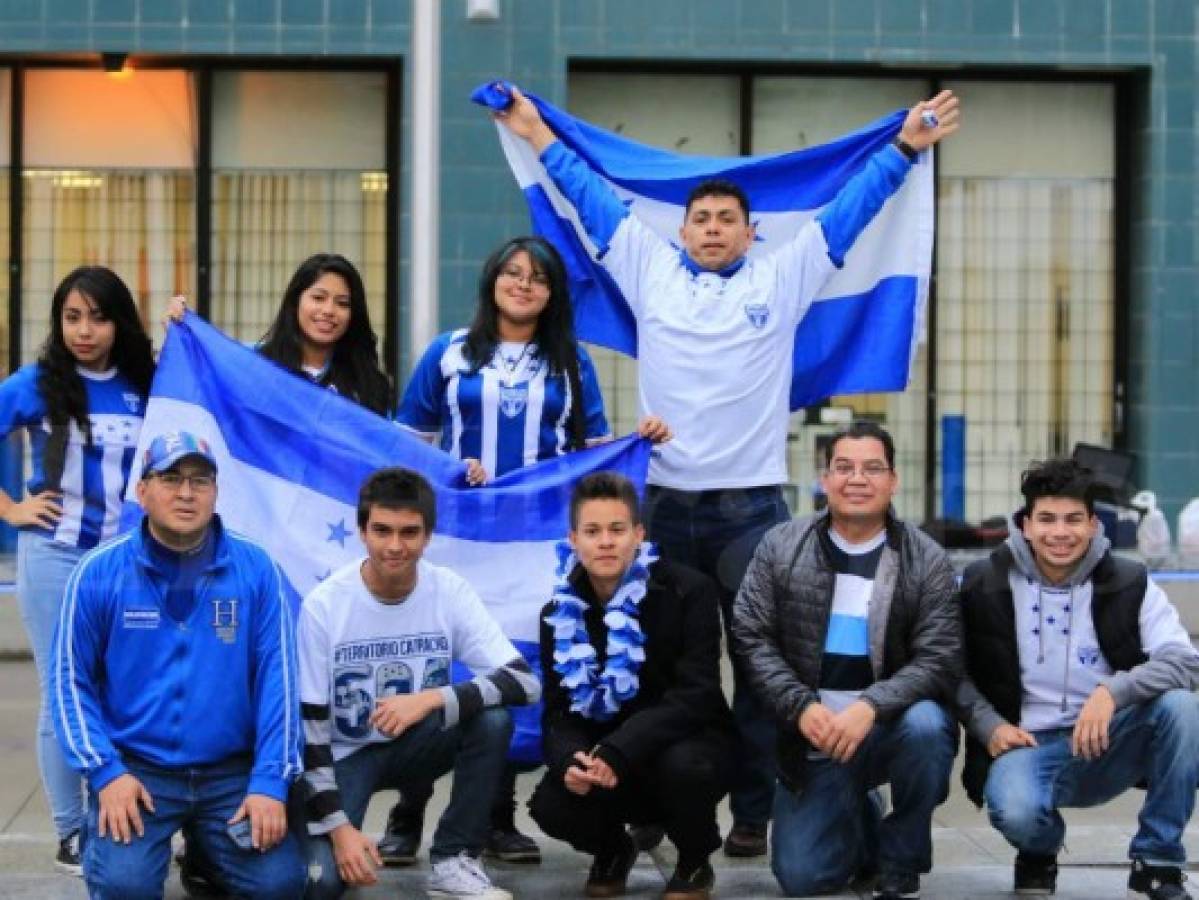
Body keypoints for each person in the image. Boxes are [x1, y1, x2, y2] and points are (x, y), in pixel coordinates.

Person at [496, 84, 960, 856]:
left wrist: (906, 146)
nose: (712, 229)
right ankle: (648, 802)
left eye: (726, 220)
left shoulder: (782, 277)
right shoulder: (646, 265)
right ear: (679, 230)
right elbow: (584, 194)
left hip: (751, 512)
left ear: (750, 233)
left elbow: (850, 209)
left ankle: (751, 811)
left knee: (759, 667)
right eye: (700, 219)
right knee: (647, 658)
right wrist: (535, 130)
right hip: (665, 505)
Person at [389, 235, 670, 864]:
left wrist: (638, 440)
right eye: (512, 272)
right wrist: (449, 468)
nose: (523, 284)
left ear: (552, 293)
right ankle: (408, 812)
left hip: (533, 545)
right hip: (460, 535)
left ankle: (498, 815)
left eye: (538, 278)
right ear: (492, 279)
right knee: (441, 658)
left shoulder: (570, 362)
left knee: (520, 659)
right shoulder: (448, 353)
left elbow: (591, 455)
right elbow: (408, 446)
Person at [49, 431, 305, 899]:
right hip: (139, 771)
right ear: (142, 492)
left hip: (230, 773)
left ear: (216, 493)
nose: (186, 493)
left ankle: (207, 854)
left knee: (280, 886)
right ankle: (112, 843)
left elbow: (280, 684)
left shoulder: (256, 568)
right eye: (170, 478)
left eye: (200, 481)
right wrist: (106, 774)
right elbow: (69, 684)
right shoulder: (99, 572)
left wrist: (270, 780)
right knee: (124, 886)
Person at [732, 421, 960, 900]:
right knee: (803, 878)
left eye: (872, 468)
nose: (858, 479)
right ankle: (860, 811)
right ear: (824, 478)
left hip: (886, 727)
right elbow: (751, 635)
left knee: (927, 726)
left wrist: (870, 706)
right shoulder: (780, 546)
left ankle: (901, 859)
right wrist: (801, 707)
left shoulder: (927, 559)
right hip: (813, 736)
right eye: (844, 467)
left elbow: (938, 657)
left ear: (893, 480)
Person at [957, 459, 1199, 899]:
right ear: (1026, 525)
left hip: (1109, 737)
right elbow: (952, 671)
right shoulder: (983, 583)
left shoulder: (1130, 580)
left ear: (1092, 525)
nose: (1060, 533)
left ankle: (1157, 861)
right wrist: (988, 726)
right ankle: (1039, 851)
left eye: (1073, 520)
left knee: (1182, 708)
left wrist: (1113, 691)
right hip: (1026, 743)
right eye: (1047, 519)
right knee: (1014, 810)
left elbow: (1184, 661)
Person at [294, 467, 540, 900]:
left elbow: (524, 682)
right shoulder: (326, 606)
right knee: (324, 885)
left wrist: (431, 699)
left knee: (493, 721)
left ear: (428, 536)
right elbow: (310, 734)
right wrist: (340, 831)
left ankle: (453, 860)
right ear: (361, 531)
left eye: (409, 533)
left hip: (419, 742)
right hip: (344, 755)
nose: (395, 546)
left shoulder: (448, 590)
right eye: (382, 530)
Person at [0, 265, 155, 875]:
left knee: (125, 688)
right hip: (55, 557)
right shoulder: (36, 383)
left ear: (120, 321)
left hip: (131, 563)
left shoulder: (147, 383)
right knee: (63, 691)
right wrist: (12, 509)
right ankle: (70, 830)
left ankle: (122, 816)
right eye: (72, 317)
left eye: (98, 316)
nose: (84, 330)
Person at [529, 472, 733, 899]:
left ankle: (694, 860)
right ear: (573, 540)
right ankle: (613, 850)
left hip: (682, 746)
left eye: (617, 530)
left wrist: (621, 749)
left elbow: (698, 695)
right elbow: (557, 711)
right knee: (550, 803)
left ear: (638, 534)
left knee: (687, 768)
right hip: (604, 758)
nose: (606, 542)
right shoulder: (558, 612)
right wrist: (570, 759)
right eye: (593, 531)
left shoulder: (689, 590)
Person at [168, 253, 393, 416]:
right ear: (295, 303)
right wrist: (184, 333)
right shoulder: (255, 365)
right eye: (318, 298)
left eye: (342, 303)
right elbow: (204, 376)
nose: (328, 311)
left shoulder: (369, 384)